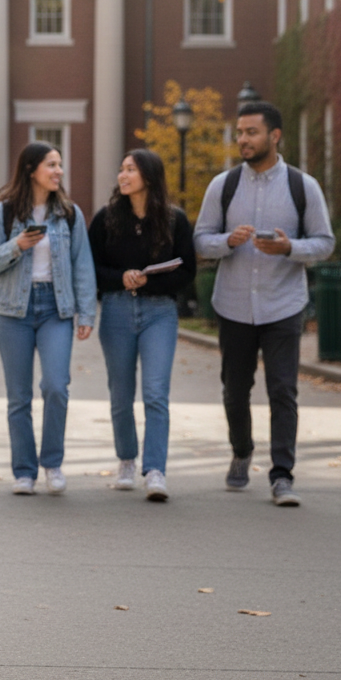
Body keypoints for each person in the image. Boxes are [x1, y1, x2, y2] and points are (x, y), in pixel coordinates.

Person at [195, 102, 334, 506]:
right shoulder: (223, 186)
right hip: (234, 306)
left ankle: (282, 475)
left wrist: (290, 247)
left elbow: (325, 243)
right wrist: (228, 242)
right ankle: (241, 451)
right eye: (239, 132)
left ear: (274, 136)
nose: (243, 140)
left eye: (251, 132)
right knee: (234, 392)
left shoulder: (302, 187)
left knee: (283, 391)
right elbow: (201, 239)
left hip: (283, 305)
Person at [0, 142, 95, 496]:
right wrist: (18, 246)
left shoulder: (70, 215)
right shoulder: (5, 213)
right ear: (31, 169)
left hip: (55, 309)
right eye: (51, 164)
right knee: (19, 397)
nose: (58, 171)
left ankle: (53, 463)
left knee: (56, 387)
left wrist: (85, 312)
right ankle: (25, 471)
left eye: (60, 165)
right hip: (13, 311)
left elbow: (83, 267)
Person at [88, 149, 196, 501]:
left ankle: (155, 471)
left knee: (155, 394)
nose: (123, 175)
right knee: (121, 396)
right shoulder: (106, 219)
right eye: (121, 169)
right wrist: (122, 278)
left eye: (130, 169)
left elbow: (187, 271)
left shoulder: (174, 219)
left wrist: (149, 282)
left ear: (148, 176)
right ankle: (127, 461)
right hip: (117, 312)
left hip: (159, 313)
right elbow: (91, 270)